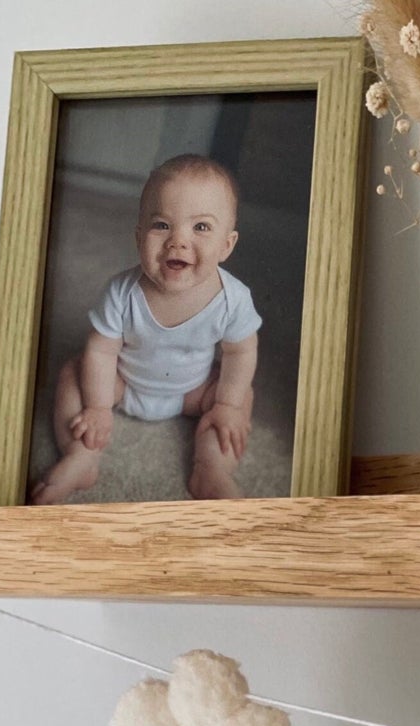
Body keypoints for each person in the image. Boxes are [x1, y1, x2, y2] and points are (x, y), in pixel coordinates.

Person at [30, 154, 261, 503]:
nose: (177, 241)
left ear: (226, 246)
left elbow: (241, 351)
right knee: (72, 372)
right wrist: (97, 407)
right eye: (161, 225)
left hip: (193, 391)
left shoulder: (234, 300)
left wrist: (226, 404)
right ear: (139, 237)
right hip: (123, 383)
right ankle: (81, 455)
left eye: (200, 227)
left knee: (240, 396)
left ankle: (211, 469)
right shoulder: (122, 293)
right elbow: (101, 350)